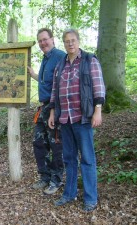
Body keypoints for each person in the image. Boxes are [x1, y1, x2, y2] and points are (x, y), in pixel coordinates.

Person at [48, 28, 106, 212]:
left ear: (78, 41)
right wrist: (52, 113)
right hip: (65, 119)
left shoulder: (90, 60)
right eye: (66, 41)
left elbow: (98, 87)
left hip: (83, 119)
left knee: (87, 159)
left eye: (73, 40)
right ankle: (69, 193)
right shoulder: (60, 65)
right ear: (63, 44)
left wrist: (98, 110)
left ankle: (90, 198)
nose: (70, 43)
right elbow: (54, 92)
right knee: (69, 159)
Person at [27, 28, 65, 195]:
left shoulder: (59, 56)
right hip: (43, 107)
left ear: (52, 39)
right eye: (40, 41)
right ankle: (45, 176)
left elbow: (61, 86)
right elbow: (46, 81)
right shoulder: (45, 58)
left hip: (54, 108)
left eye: (45, 39)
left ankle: (56, 180)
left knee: (55, 145)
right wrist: (34, 74)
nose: (43, 43)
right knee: (39, 143)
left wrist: (53, 110)